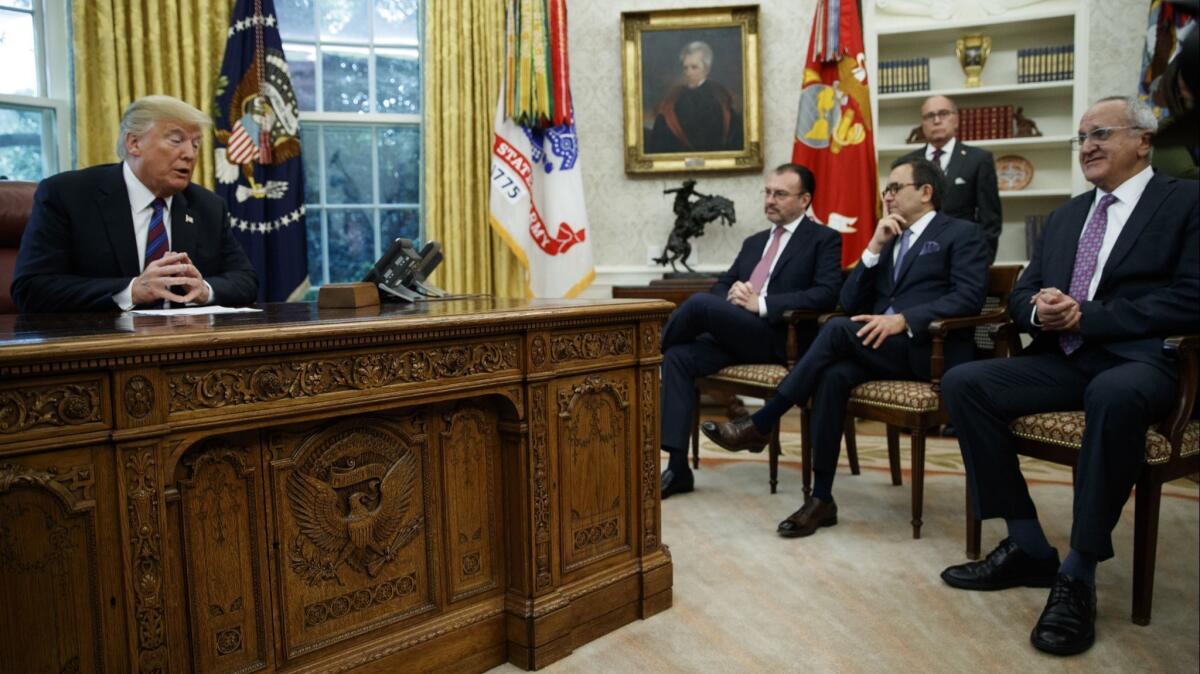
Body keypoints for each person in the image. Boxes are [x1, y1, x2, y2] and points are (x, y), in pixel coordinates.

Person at [937, 96, 1199, 656]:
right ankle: (1029, 544)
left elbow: (1192, 298)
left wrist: (1092, 314)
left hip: (1145, 362)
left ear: (1144, 141)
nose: (1088, 147)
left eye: (1101, 133)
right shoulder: (1064, 216)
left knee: (1112, 393)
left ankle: (1078, 574)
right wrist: (1040, 311)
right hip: (1065, 358)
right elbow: (1024, 292)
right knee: (965, 382)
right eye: (1080, 138)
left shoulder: (1186, 202)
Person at [701, 156, 989, 535]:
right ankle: (821, 499)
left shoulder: (962, 233)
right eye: (886, 190)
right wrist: (872, 247)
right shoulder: (890, 238)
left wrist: (905, 320)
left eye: (894, 188)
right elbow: (850, 303)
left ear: (925, 192)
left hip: (930, 351)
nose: (886, 197)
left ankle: (763, 422)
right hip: (882, 347)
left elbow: (969, 297)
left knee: (837, 332)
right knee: (833, 376)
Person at [659, 163, 842, 499]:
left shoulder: (823, 239)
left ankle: (645, 355)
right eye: (768, 192)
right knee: (678, 356)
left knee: (699, 305)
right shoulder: (754, 242)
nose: (770, 200)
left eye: (780, 194)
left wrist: (763, 304)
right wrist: (731, 297)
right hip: (736, 334)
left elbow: (827, 293)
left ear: (804, 200)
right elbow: (724, 284)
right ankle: (678, 467)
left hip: (777, 338)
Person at [11, 95, 258, 313]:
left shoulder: (208, 206)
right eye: (176, 140)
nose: (190, 154)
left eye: (195, 143)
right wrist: (131, 290)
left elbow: (246, 280)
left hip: (185, 347)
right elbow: (31, 288)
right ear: (134, 143)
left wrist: (204, 289)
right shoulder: (68, 195)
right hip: (98, 348)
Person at [901, 95, 1002, 262]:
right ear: (922, 123)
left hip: (963, 254)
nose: (937, 120)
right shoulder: (907, 163)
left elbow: (990, 219)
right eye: (929, 116)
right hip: (916, 258)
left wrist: (983, 260)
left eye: (943, 113)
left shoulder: (978, 159)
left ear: (956, 119)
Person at [645, 41, 743, 154]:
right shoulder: (674, 96)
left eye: (694, 67)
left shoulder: (720, 96)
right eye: (685, 68)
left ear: (707, 69)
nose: (688, 72)